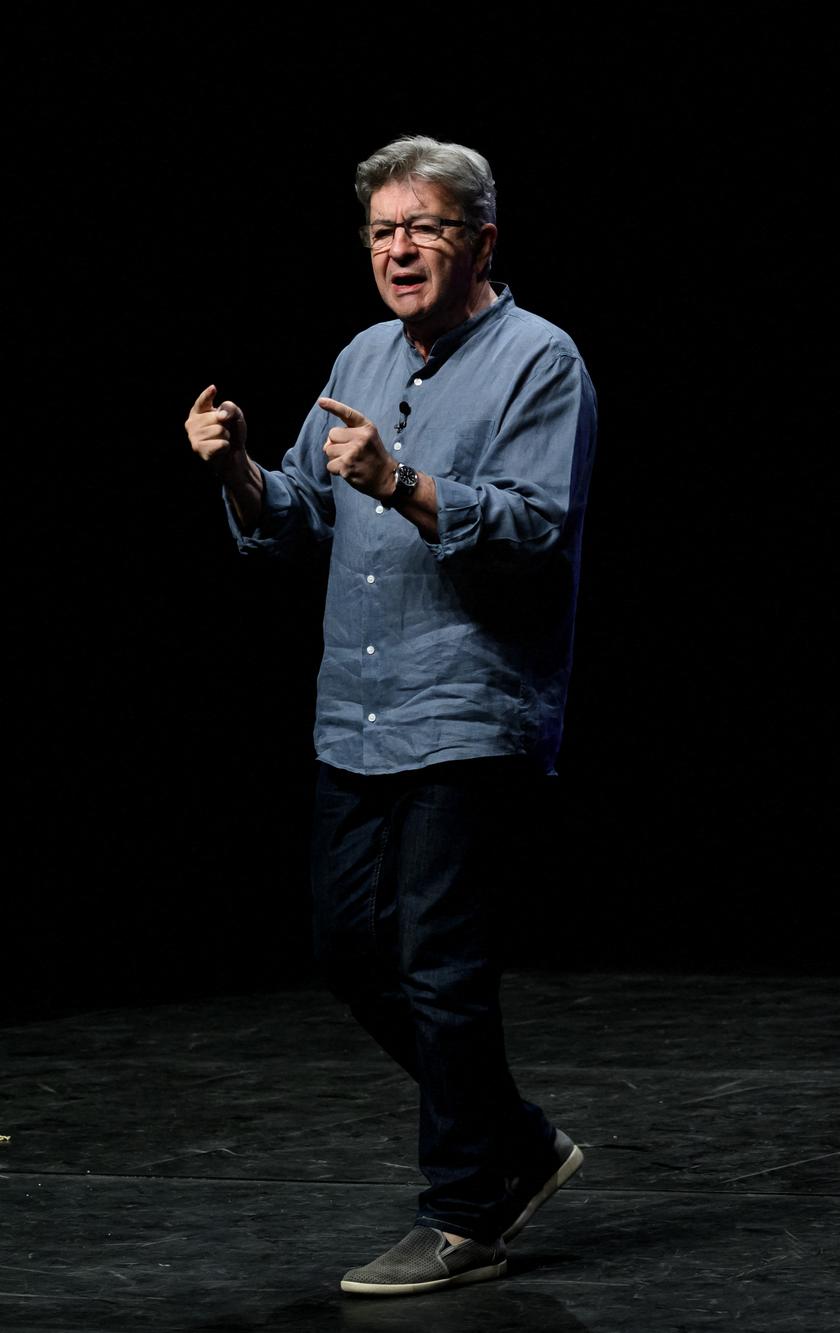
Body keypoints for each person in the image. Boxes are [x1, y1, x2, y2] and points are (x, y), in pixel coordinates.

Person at [183, 135, 595, 1297]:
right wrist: (239, 473)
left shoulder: (539, 361)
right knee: (344, 947)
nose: (398, 250)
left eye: (424, 228)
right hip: (357, 707)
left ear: (481, 242)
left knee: (441, 964)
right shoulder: (360, 355)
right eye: (380, 232)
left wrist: (402, 484)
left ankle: (465, 1211)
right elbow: (308, 516)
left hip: (470, 704)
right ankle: (512, 1139)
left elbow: (533, 534)